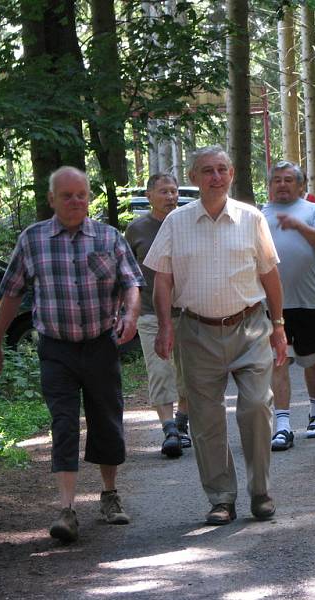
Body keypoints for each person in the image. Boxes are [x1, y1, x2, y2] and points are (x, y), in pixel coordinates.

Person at [0, 166, 145, 543]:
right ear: (52, 199)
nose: (75, 201)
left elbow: (131, 282)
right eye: (67, 195)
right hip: (56, 348)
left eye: (81, 195)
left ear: (89, 198)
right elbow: (11, 294)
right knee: (64, 422)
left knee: (107, 418)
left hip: (101, 344)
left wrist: (131, 314)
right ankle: (67, 509)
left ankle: (109, 496)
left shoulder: (108, 237)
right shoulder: (33, 239)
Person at [144, 145, 287, 526]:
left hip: (250, 326)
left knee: (257, 406)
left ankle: (261, 492)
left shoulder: (251, 218)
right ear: (193, 178)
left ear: (232, 174)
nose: (216, 177)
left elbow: (270, 274)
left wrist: (278, 326)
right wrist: (165, 324)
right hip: (197, 331)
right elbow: (163, 278)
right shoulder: (176, 222)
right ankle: (221, 498)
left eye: (222, 169)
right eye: (207, 171)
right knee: (207, 420)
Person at [262, 160, 315, 451]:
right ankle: (282, 426)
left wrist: (299, 226)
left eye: (288, 179)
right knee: (278, 361)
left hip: (310, 301)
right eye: (276, 180)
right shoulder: (259, 215)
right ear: (269, 185)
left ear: (301, 185)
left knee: (311, 359)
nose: (282, 184)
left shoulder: (312, 210)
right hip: (271, 305)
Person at [125, 172, 191, 458]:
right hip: (151, 312)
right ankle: (169, 430)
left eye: (174, 191)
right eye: (163, 192)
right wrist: (126, 309)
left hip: (189, 311)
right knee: (160, 370)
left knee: (188, 373)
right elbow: (126, 273)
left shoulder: (188, 224)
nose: (170, 197)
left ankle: (182, 422)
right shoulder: (137, 229)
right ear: (149, 196)